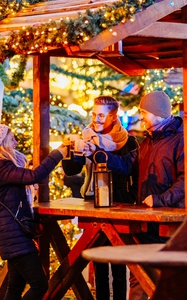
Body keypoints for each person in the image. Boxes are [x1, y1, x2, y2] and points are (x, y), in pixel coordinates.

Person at [0, 124, 67, 300]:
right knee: (40, 285)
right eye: (12, 138)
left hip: (11, 235)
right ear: (2, 142)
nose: (16, 142)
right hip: (14, 236)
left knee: (15, 288)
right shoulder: (0, 166)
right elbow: (34, 175)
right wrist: (58, 153)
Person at [62, 96, 139, 300]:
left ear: (113, 117)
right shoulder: (86, 138)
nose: (96, 119)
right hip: (92, 203)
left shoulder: (128, 141)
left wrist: (129, 198)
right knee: (99, 264)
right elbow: (71, 170)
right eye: (94, 114)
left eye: (101, 115)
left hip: (119, 205)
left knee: (119, 264)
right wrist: (72, 150)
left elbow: (130, 169)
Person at [129, 90, 185, 300]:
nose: (141, 116)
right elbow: (128, 165)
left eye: (144, 111)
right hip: (146, 221)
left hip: (168, 224)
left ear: (158, 113)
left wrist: (161, 200)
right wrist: (100, 154)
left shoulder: (181, 141)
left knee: (161, 278)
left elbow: (186, 179)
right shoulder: (148, 141)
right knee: (139, 275)